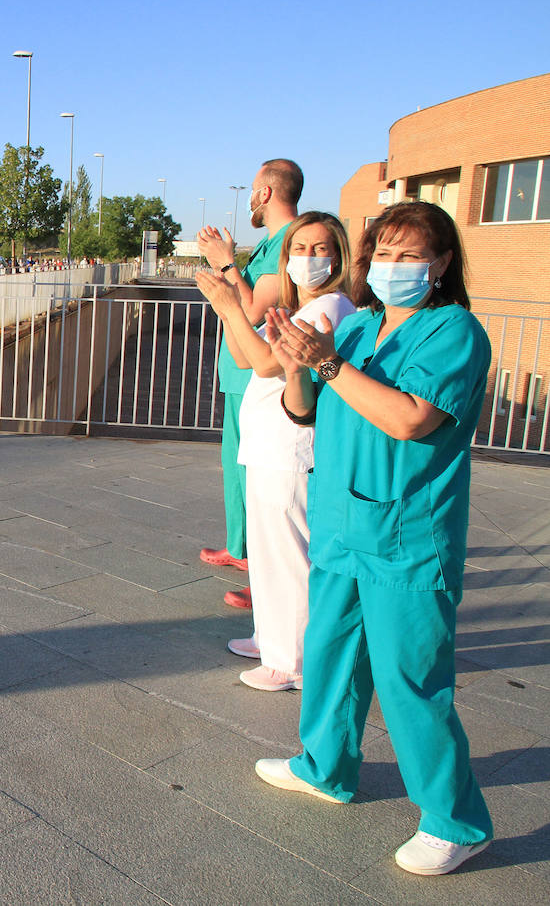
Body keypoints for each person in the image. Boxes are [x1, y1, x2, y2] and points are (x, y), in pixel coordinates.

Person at [256, 201, 493, 876]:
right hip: (340, 524)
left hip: (407, 535)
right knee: (330, 655)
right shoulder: (357, 329)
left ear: (443, 263)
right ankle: (325, 767)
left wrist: (326, 364)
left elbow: (410, 420)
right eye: (382, 255)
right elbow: (302, 410)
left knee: (410, 679)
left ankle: (458, 821)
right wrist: (297, 364)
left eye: (411, 256)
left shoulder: (454, 332)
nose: (393, 268)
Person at [197, 212, 356, 691]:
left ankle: (293, 661)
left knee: (290, 557)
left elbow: (267, 365)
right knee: (267, 555)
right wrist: (229, 310)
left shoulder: (330, 308)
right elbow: (245, 355)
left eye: (321, 248)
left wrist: (230, 304)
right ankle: (269, 638)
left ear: (340, 257)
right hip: (267, 444)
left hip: (292, 448)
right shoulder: (296, 308)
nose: (309, 258)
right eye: (300, 249)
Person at [196, 158, 302, 610]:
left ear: (266, 193)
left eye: (253, 191)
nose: (249, 200)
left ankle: (267, 572)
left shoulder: (291, 242)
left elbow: (255, 311)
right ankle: (242, 549)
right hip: (242, 371)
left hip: (261, 375)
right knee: (239, 470)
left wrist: (225, 266)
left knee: (260, 478)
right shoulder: (272, 242)